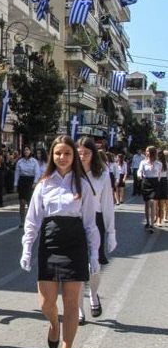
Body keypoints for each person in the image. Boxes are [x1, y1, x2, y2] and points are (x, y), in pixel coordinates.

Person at [20, 135, 100, 348]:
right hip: (50, 243)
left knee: (72, 301)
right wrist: (27, 248)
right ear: (51, 156)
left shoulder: (83, 185)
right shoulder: (44, 184)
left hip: (74, 244)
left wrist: (94, 253)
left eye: (67, 153)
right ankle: (54, 324)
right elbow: (32, 220)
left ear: (73, 156)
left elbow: (90, 224)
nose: (62, 157)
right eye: (58, 153)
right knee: (46, 302)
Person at [76, 137, 117, 324]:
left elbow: (108, 204)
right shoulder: (70, 172)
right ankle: (78, 309)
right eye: (79, 152)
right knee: (77, 268)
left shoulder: (102, 174)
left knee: (95, 266)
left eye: (86, 152)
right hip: (74, 221)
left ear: (93, 154)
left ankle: (93, 295)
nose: (82, 156)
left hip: (96, 220)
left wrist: (111, 232)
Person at [14, 145, 41, 228]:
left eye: (27, 150)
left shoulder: (34, 161)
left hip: (30, 181)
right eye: (25, 150)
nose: (26, 151)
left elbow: (37, 173)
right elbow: (17, 173)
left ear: (30, 151)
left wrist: (35, 182)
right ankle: (22, 221)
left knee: (30, 203)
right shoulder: (20, 162)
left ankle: (32, 220)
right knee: (22, 203)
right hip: (22, 181)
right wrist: (15, 184)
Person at [138, 146, 162, 232]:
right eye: (146, 151)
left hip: (155, 183)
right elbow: (140, 171)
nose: (146, 152)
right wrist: (139, 175)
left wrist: (158, 182)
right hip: (146, 182)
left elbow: (159, 174)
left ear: (152, 152)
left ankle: (152, 224)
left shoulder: (159, 163)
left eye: (148, 151)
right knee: (147, 204)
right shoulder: (143, 162)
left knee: (153, 202)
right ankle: (148, 222)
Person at [156, 150, 168, 226]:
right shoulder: (156, 163)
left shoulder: (165, 164)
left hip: (162, 182)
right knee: (161, 202)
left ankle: (160, 219)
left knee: (161, 202)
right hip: (160, 182)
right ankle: (160, 218)